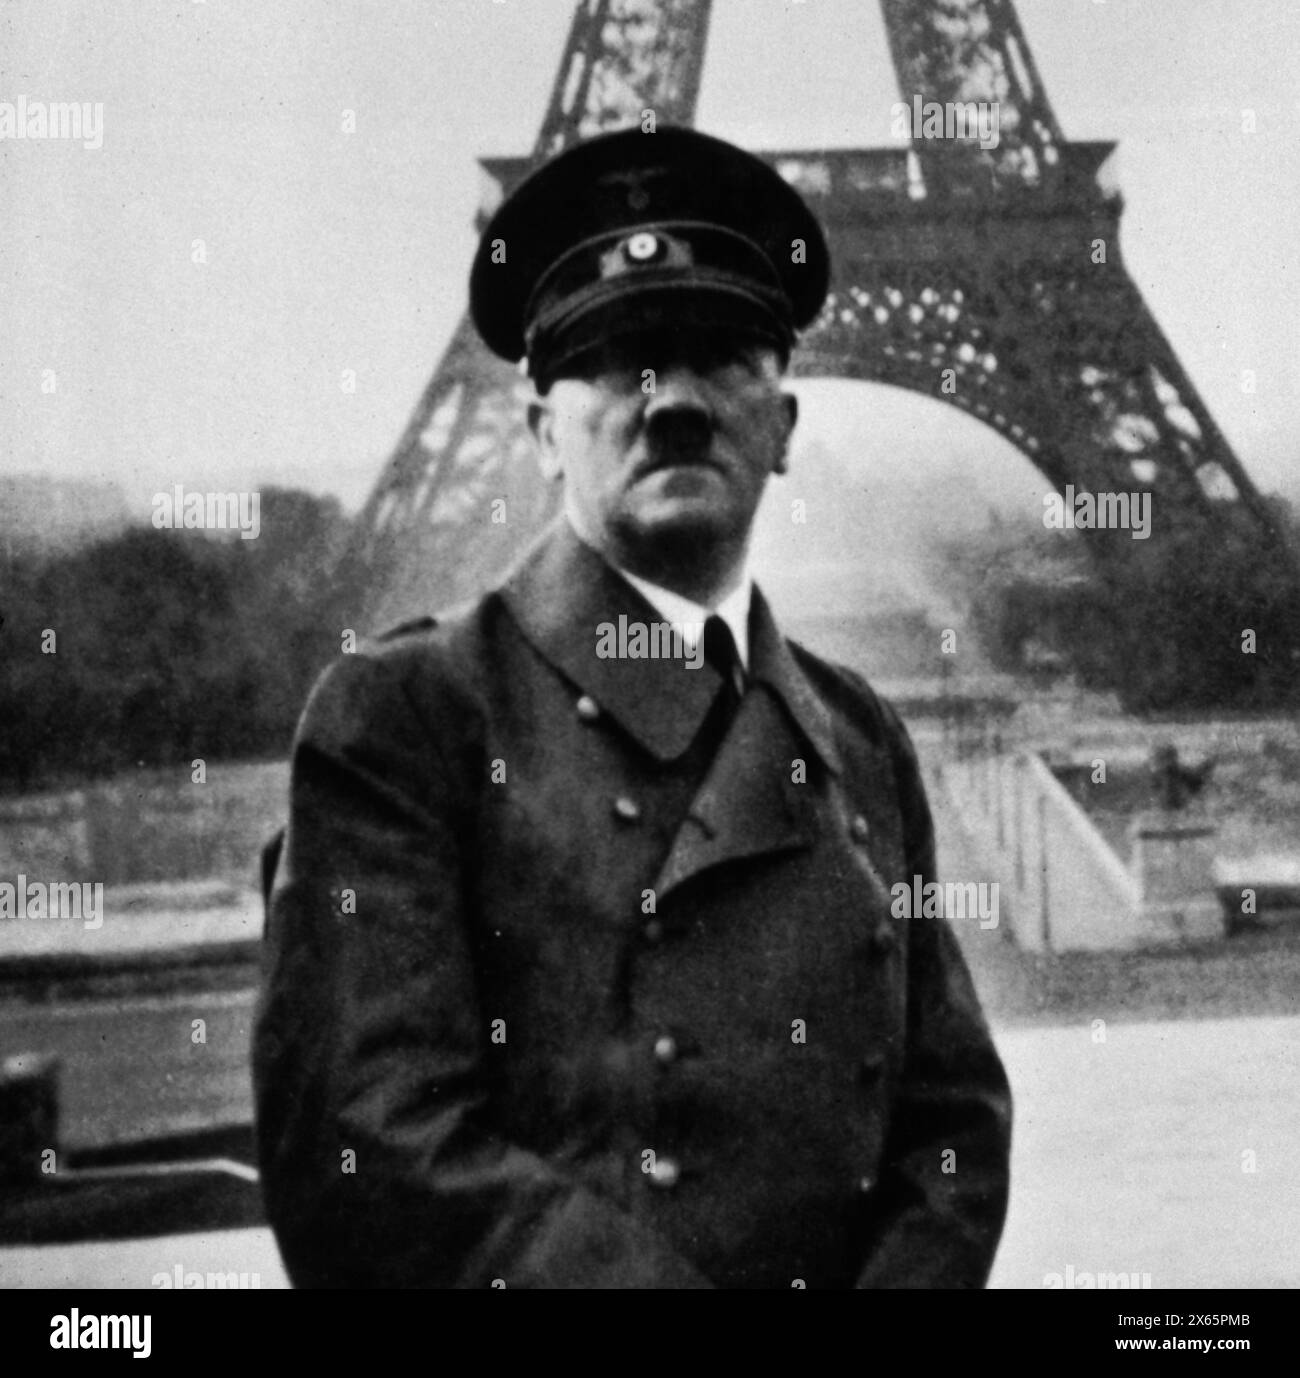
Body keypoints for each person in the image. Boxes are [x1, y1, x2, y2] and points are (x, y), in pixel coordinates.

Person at [251, 125, 1012, 1289]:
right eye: (620, 360)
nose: (675, 405)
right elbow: (367, 1152)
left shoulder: (860, 735)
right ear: (540, 432)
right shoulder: (404, 720)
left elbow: (951, 1115)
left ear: (786, 429)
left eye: (722, 356)